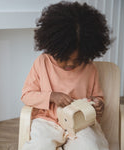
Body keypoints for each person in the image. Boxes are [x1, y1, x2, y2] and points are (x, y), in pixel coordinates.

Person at [21, 1, 111, 150]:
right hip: (47, 121)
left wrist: (98, 104)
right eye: (63, 58)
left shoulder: (90, 68)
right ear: (53, 48)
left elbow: (98, 98)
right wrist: (51, 96)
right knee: (38, 146)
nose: (70, 64)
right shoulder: (42, 63)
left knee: (91, 146)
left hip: (80, 123)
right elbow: (26, 95)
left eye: (77, 60)